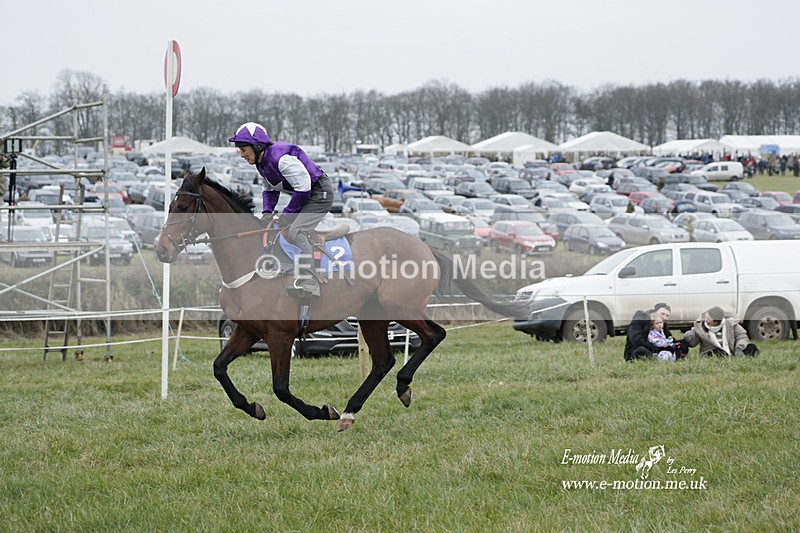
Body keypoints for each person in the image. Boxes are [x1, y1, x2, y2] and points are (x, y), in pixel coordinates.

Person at [228, 122, 334, 297]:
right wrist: (267, 212)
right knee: (274, 229)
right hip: (306, 194)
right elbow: (269, 190)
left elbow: (303, 188)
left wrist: (287, 214)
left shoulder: (281, 158)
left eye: (244, 149)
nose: (242, 154)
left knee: (296, 231)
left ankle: (310, 280)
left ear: (257, 146)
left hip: (319, 194)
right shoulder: (261, 163)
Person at [683, 306, 759, 357]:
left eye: (708, 318)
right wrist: (690, 336)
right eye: (706, 316)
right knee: (716, 352)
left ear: (715, 322)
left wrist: (739, 347)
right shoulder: (700, 327)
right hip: (711, 351)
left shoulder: (730, 323)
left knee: (751, 347)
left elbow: (742, 336)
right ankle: (726, 356)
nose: (705, 319)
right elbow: (693, 343)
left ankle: (741, 355)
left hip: (731, 349)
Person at [624, 302, 688, 361]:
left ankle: (670, 358)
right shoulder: (639, 320)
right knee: (641, 350)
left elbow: (669, 337)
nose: (664, 317)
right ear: (655, 312)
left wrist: (679, 344)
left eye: (667, 316)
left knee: (682, 346)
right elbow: (637, 341)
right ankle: (661, 359)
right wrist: (660, 348)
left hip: (658, 350)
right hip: (637, 351)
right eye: (662, 314)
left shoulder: (661, 323)